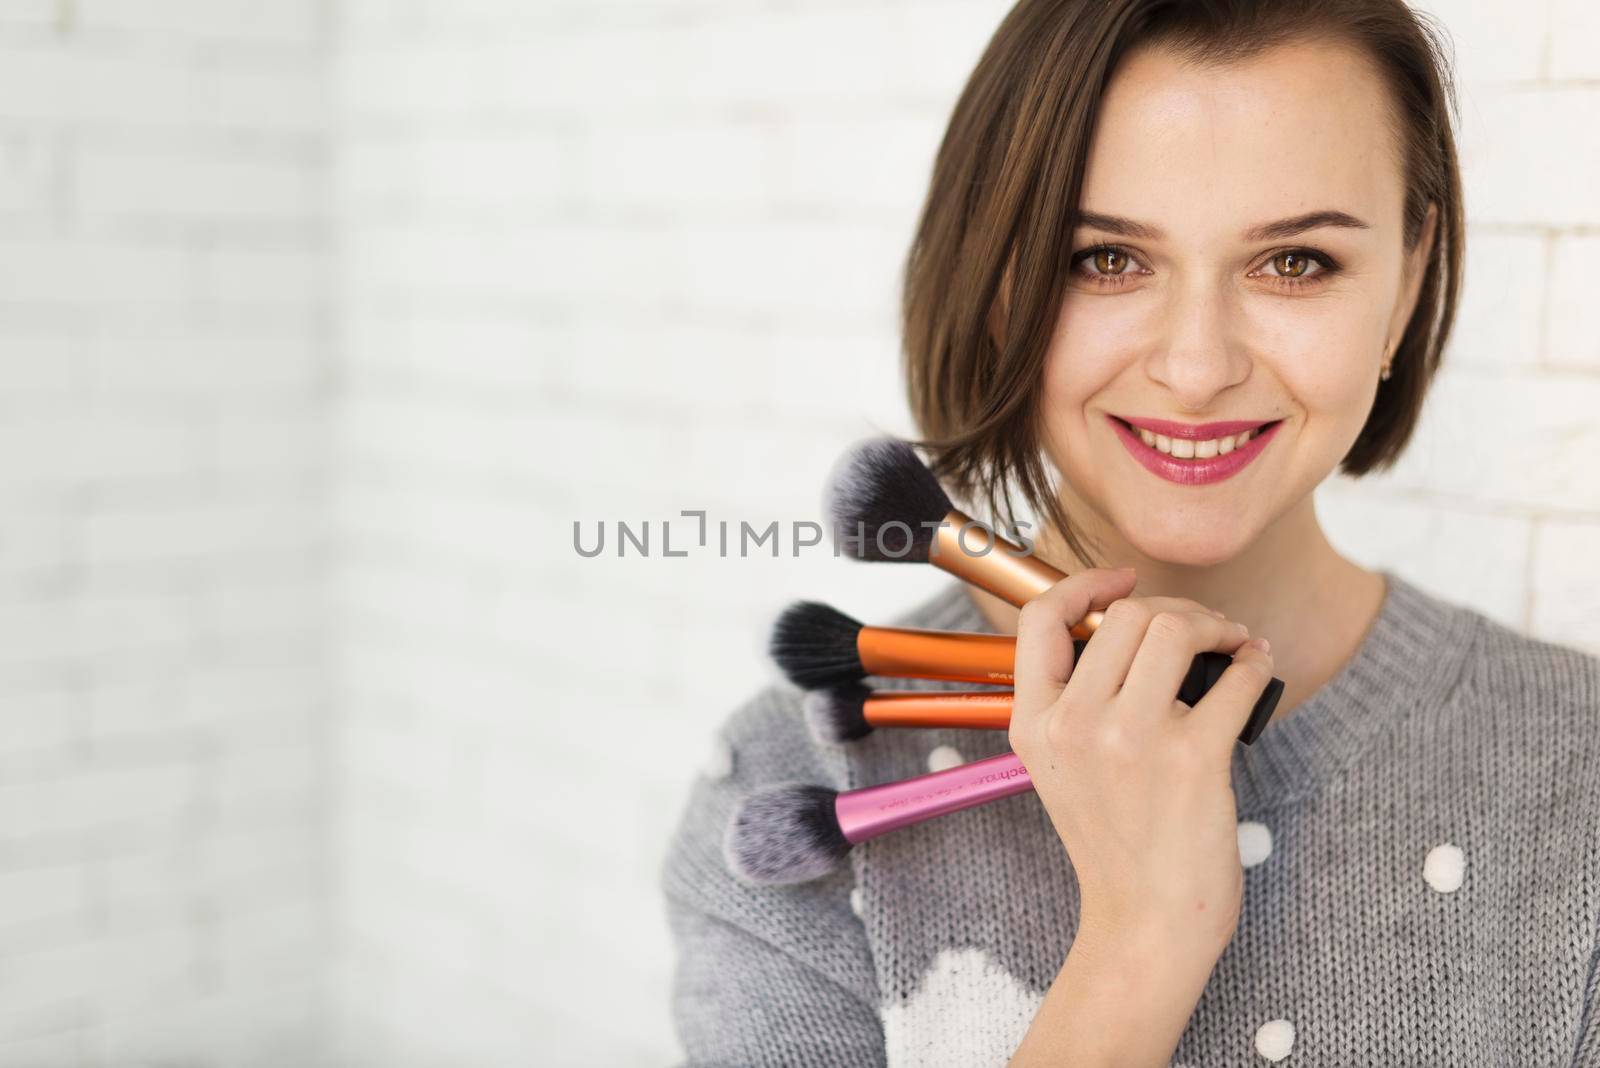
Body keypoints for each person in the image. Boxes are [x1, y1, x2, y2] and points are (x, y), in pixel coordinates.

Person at [660, 1, 1600, 1064]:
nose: (1196, 369)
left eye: (1294, 262)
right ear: (1000, 279)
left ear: (1407, 280)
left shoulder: (1580, 764)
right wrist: (1140, 941)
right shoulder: (798, 790)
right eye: (1104, 259)